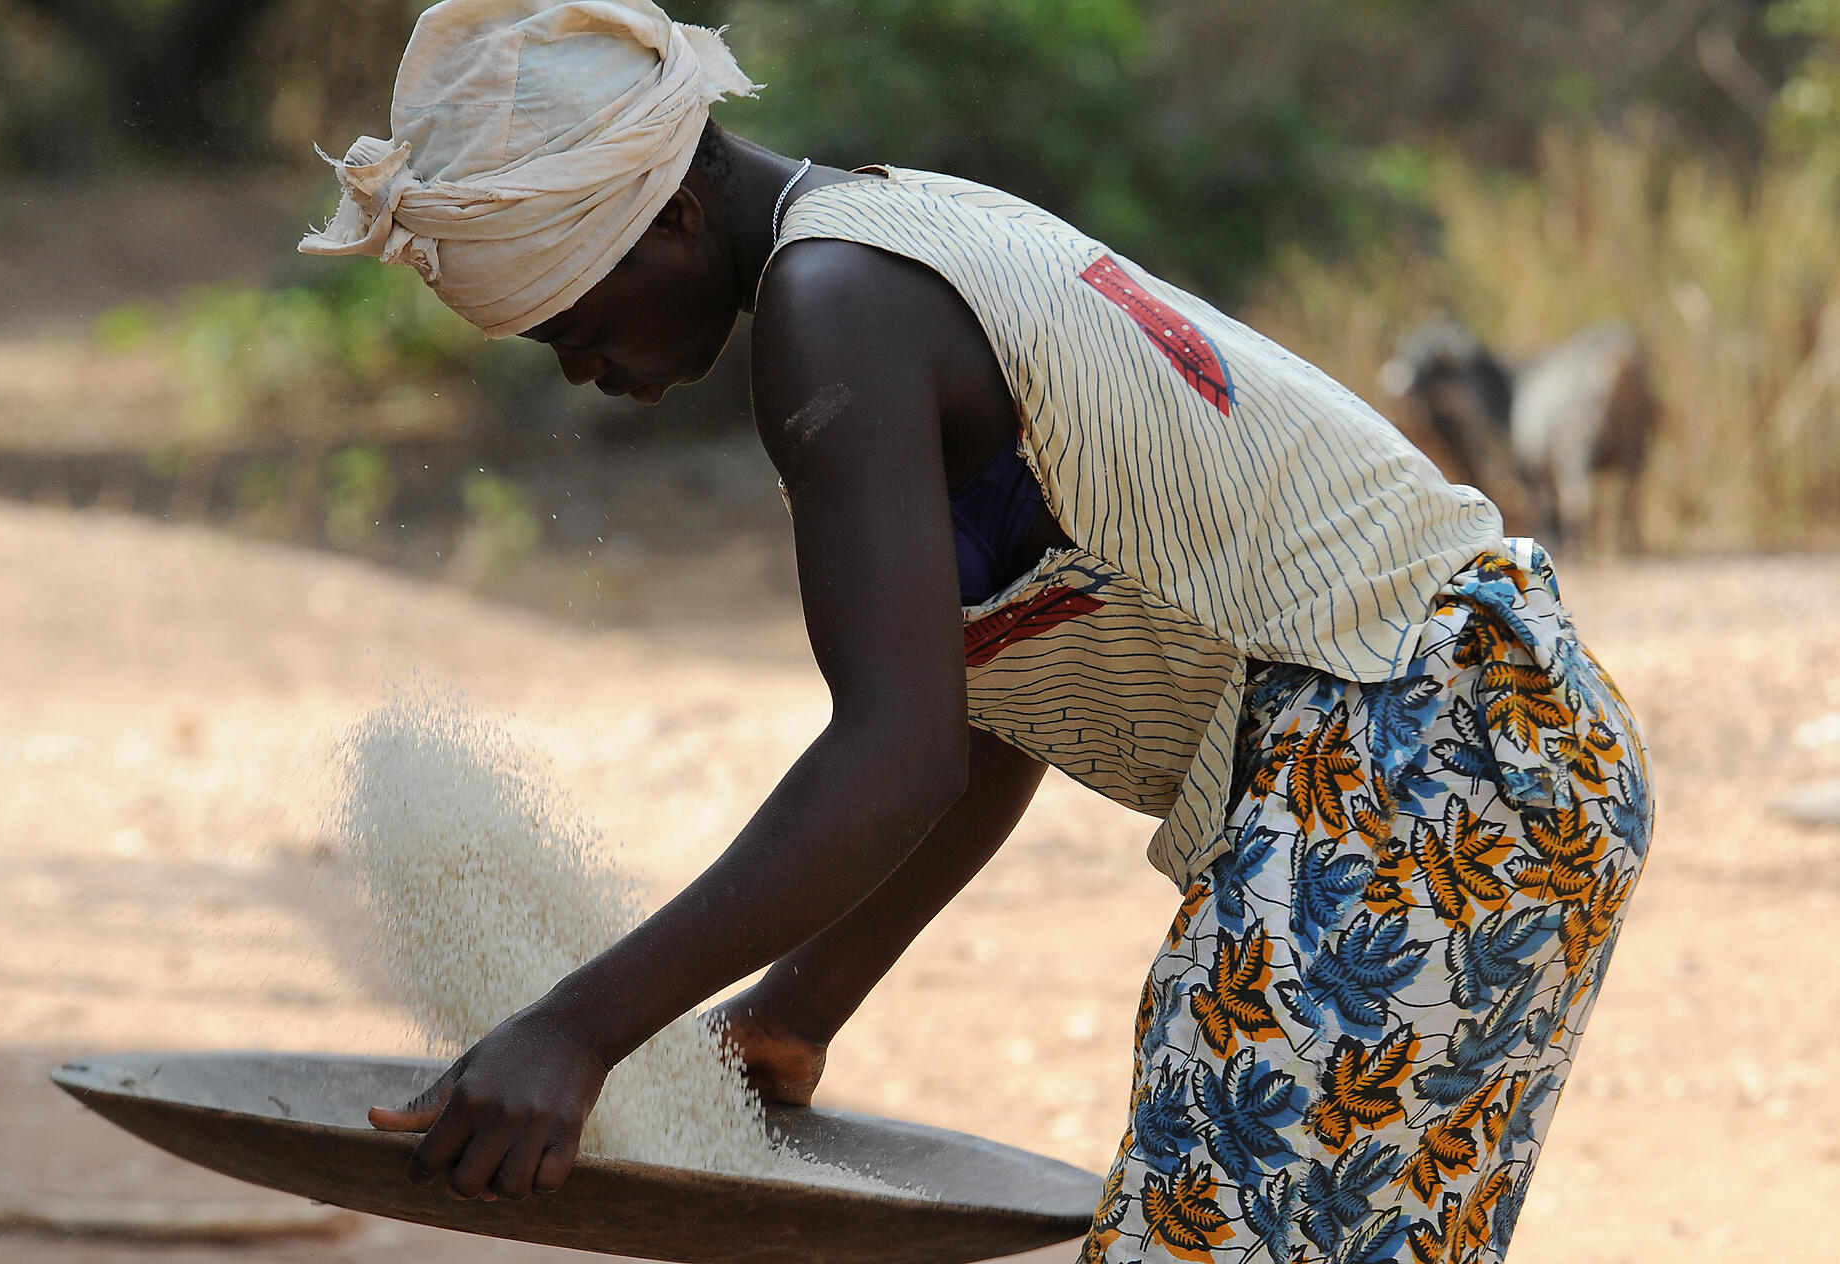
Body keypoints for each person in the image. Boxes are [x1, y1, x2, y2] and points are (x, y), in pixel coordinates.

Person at [303, 2, 1654, 1258]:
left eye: (579, 325)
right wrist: (796, 1009)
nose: (584, 371)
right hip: (1508, 739)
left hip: (1403, 760)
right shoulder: (897, 234)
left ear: (669, 222)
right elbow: (986, 716)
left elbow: (896, 754)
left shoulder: (833, 309)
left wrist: (572, 1033)